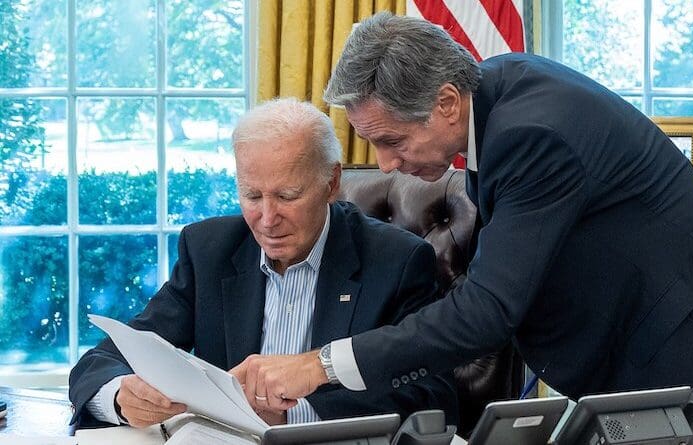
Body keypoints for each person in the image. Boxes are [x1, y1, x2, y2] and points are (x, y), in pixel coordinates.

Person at [231, 13, 693, 444]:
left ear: (446, 102)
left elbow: (489, 310)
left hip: (685, 344)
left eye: (393, 141)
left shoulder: (531, 135)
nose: (383, 164)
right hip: (641, 335)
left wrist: (320, 364)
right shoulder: (496, 92)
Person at [68, 97, 458, 428]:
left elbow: (432, 396)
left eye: (287, 196)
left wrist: (295, 415)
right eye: (252, 196)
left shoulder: (397, 261)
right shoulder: (210, 250)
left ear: (331, 182)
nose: (267, 219)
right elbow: (103, 360)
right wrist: (120, 397)